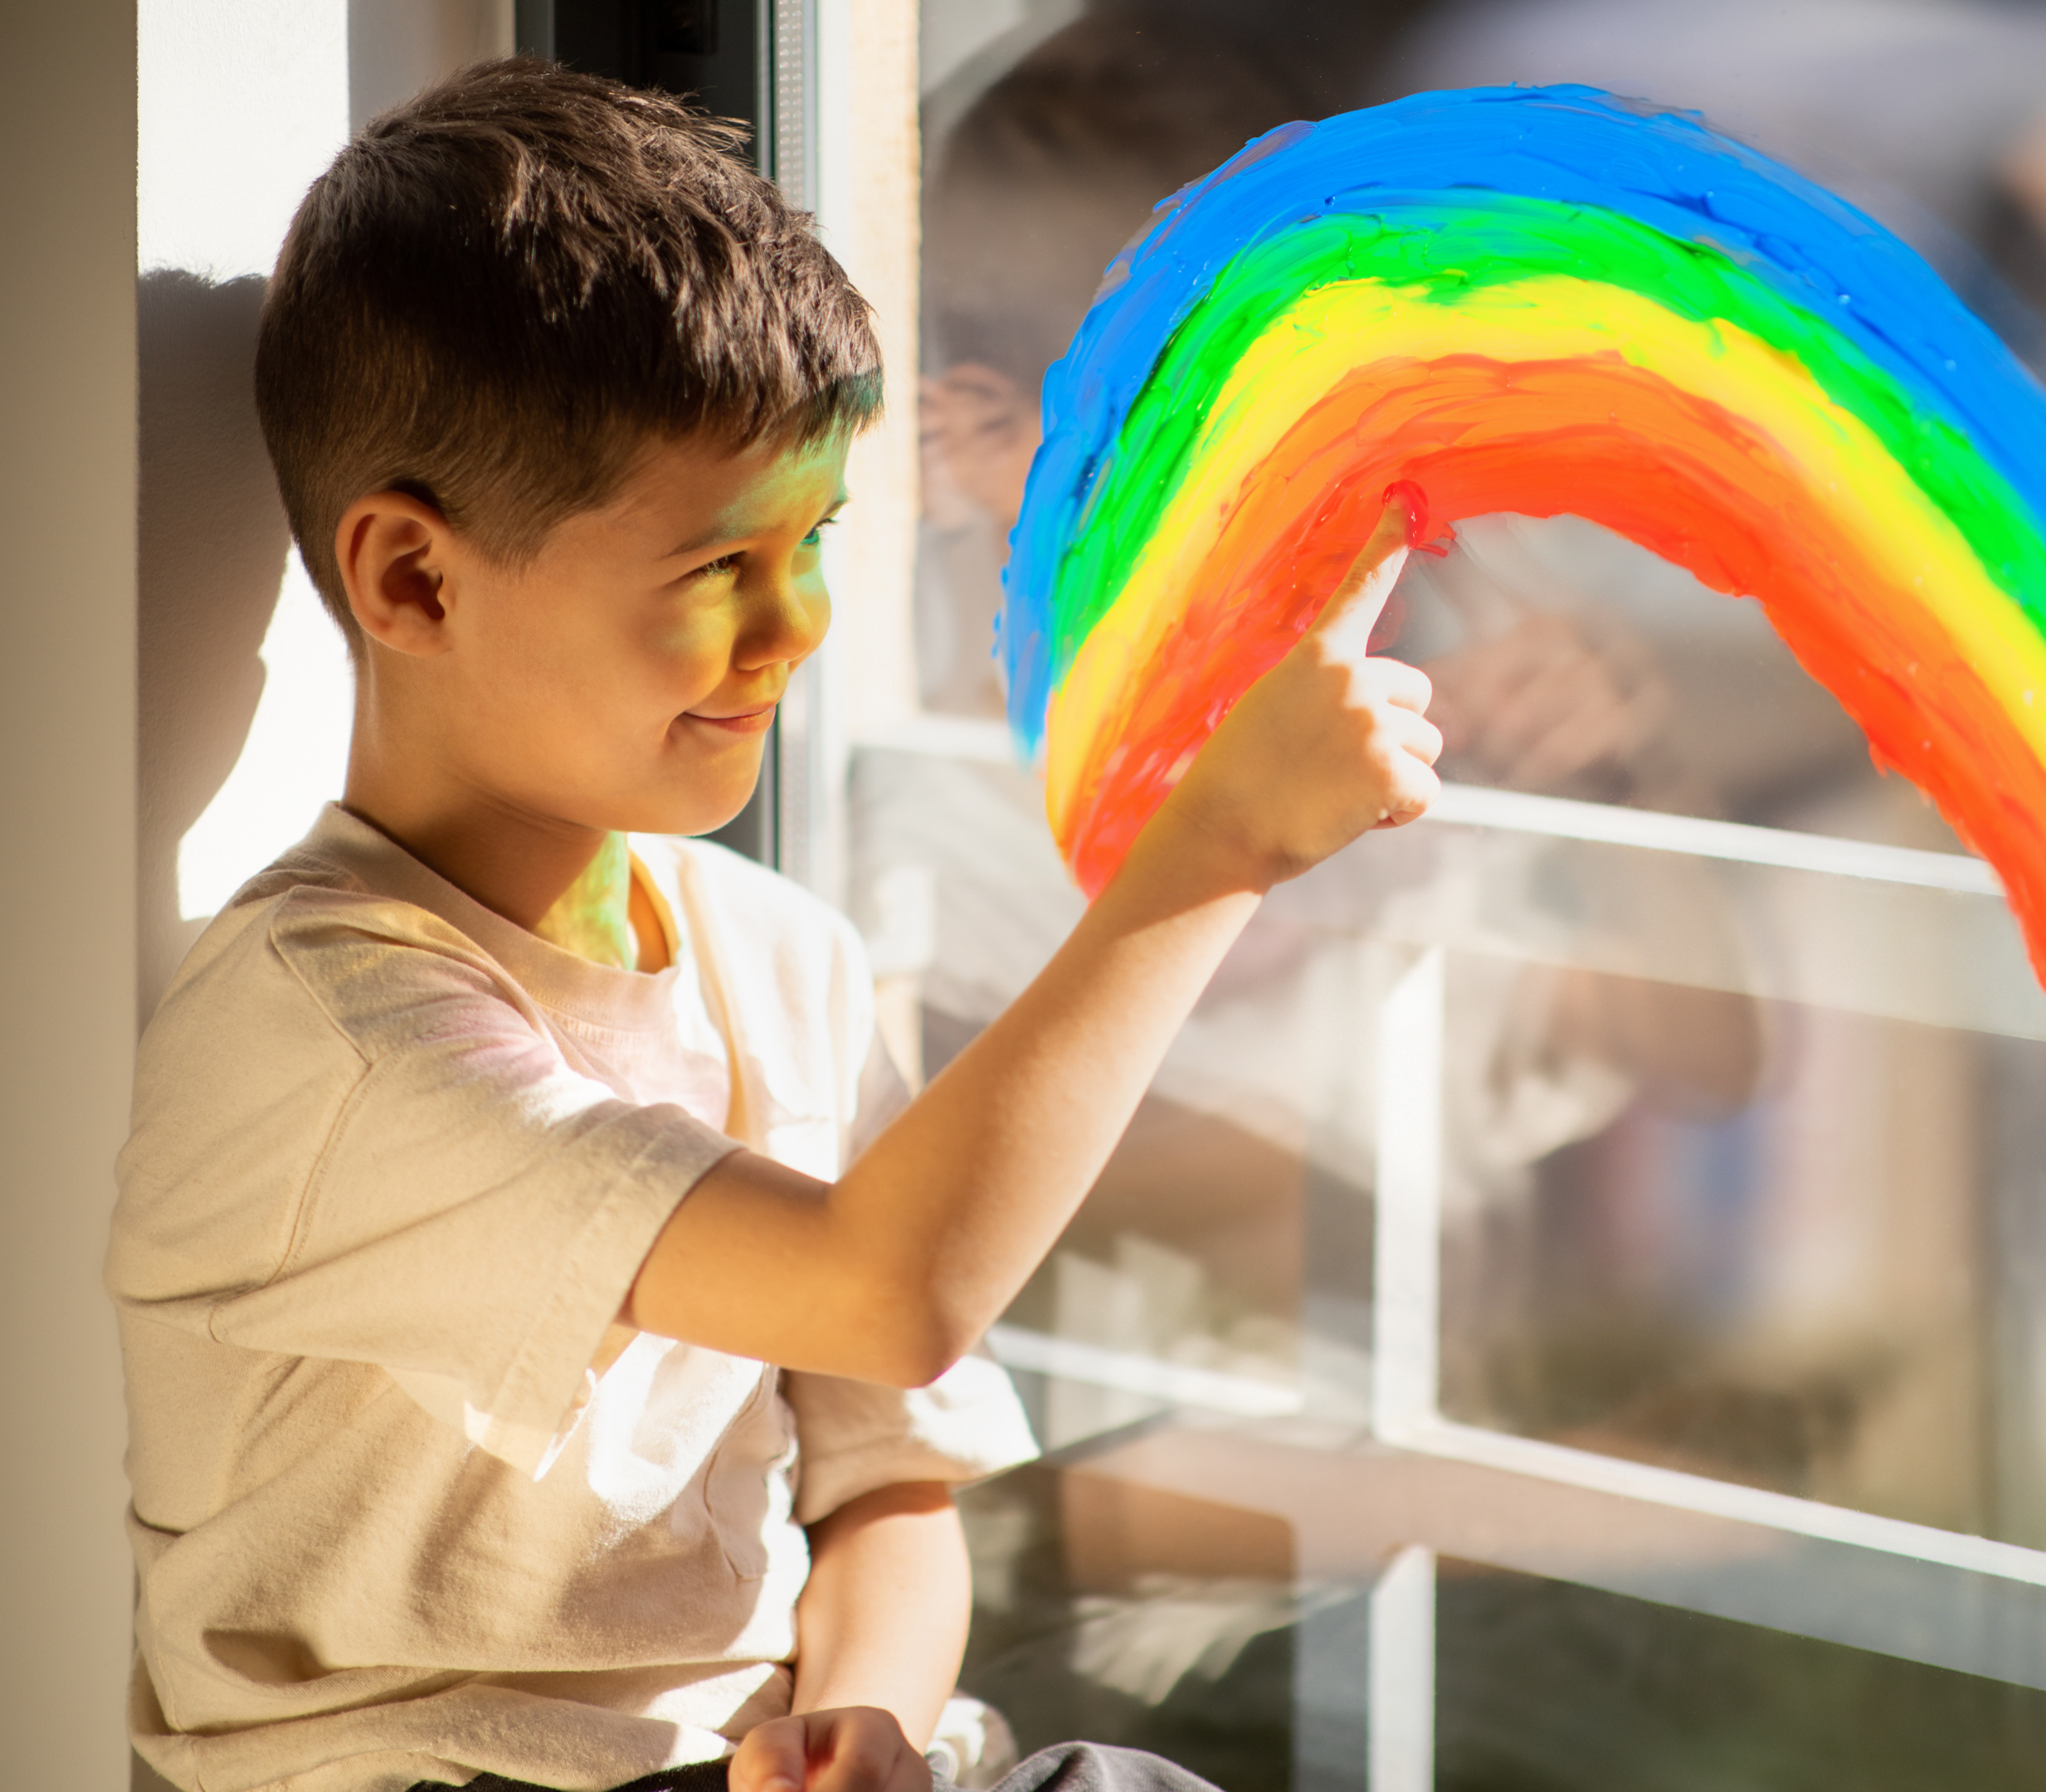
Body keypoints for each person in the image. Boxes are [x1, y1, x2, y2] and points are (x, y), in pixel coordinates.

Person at [108, 60, 1440, 1792]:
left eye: (815, 536)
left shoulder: (772, 956)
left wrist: (861, 1721)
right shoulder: (329, 1039)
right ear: (414, 581)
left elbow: (889, 1476)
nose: (798, 624)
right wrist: (1217, 854)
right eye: (714, 570)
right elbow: (891, 1294)